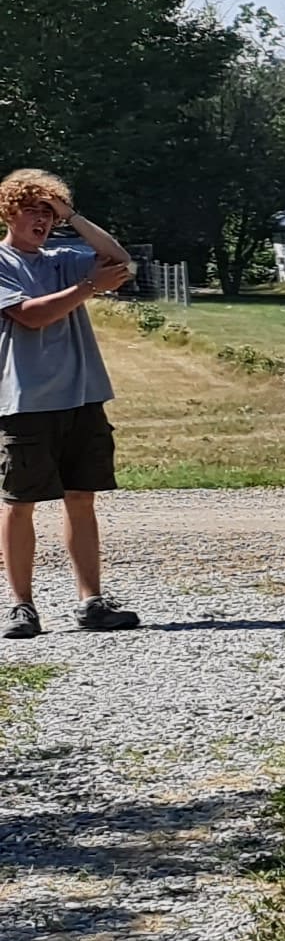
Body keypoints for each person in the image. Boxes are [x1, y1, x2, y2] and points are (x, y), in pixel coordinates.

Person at [0, 170, 139, 639]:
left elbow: (121, 263)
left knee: (82, 497)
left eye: (48, 212)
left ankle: (91, 601)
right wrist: (88, 288)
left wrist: (73, 217)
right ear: (8, 212)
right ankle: (21, 606)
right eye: (31, 209)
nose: (40, 220)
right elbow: (31, 317)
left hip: (82, 396)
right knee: (20, 503)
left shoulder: (64, 257)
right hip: (26, 401)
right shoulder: (1, 262)